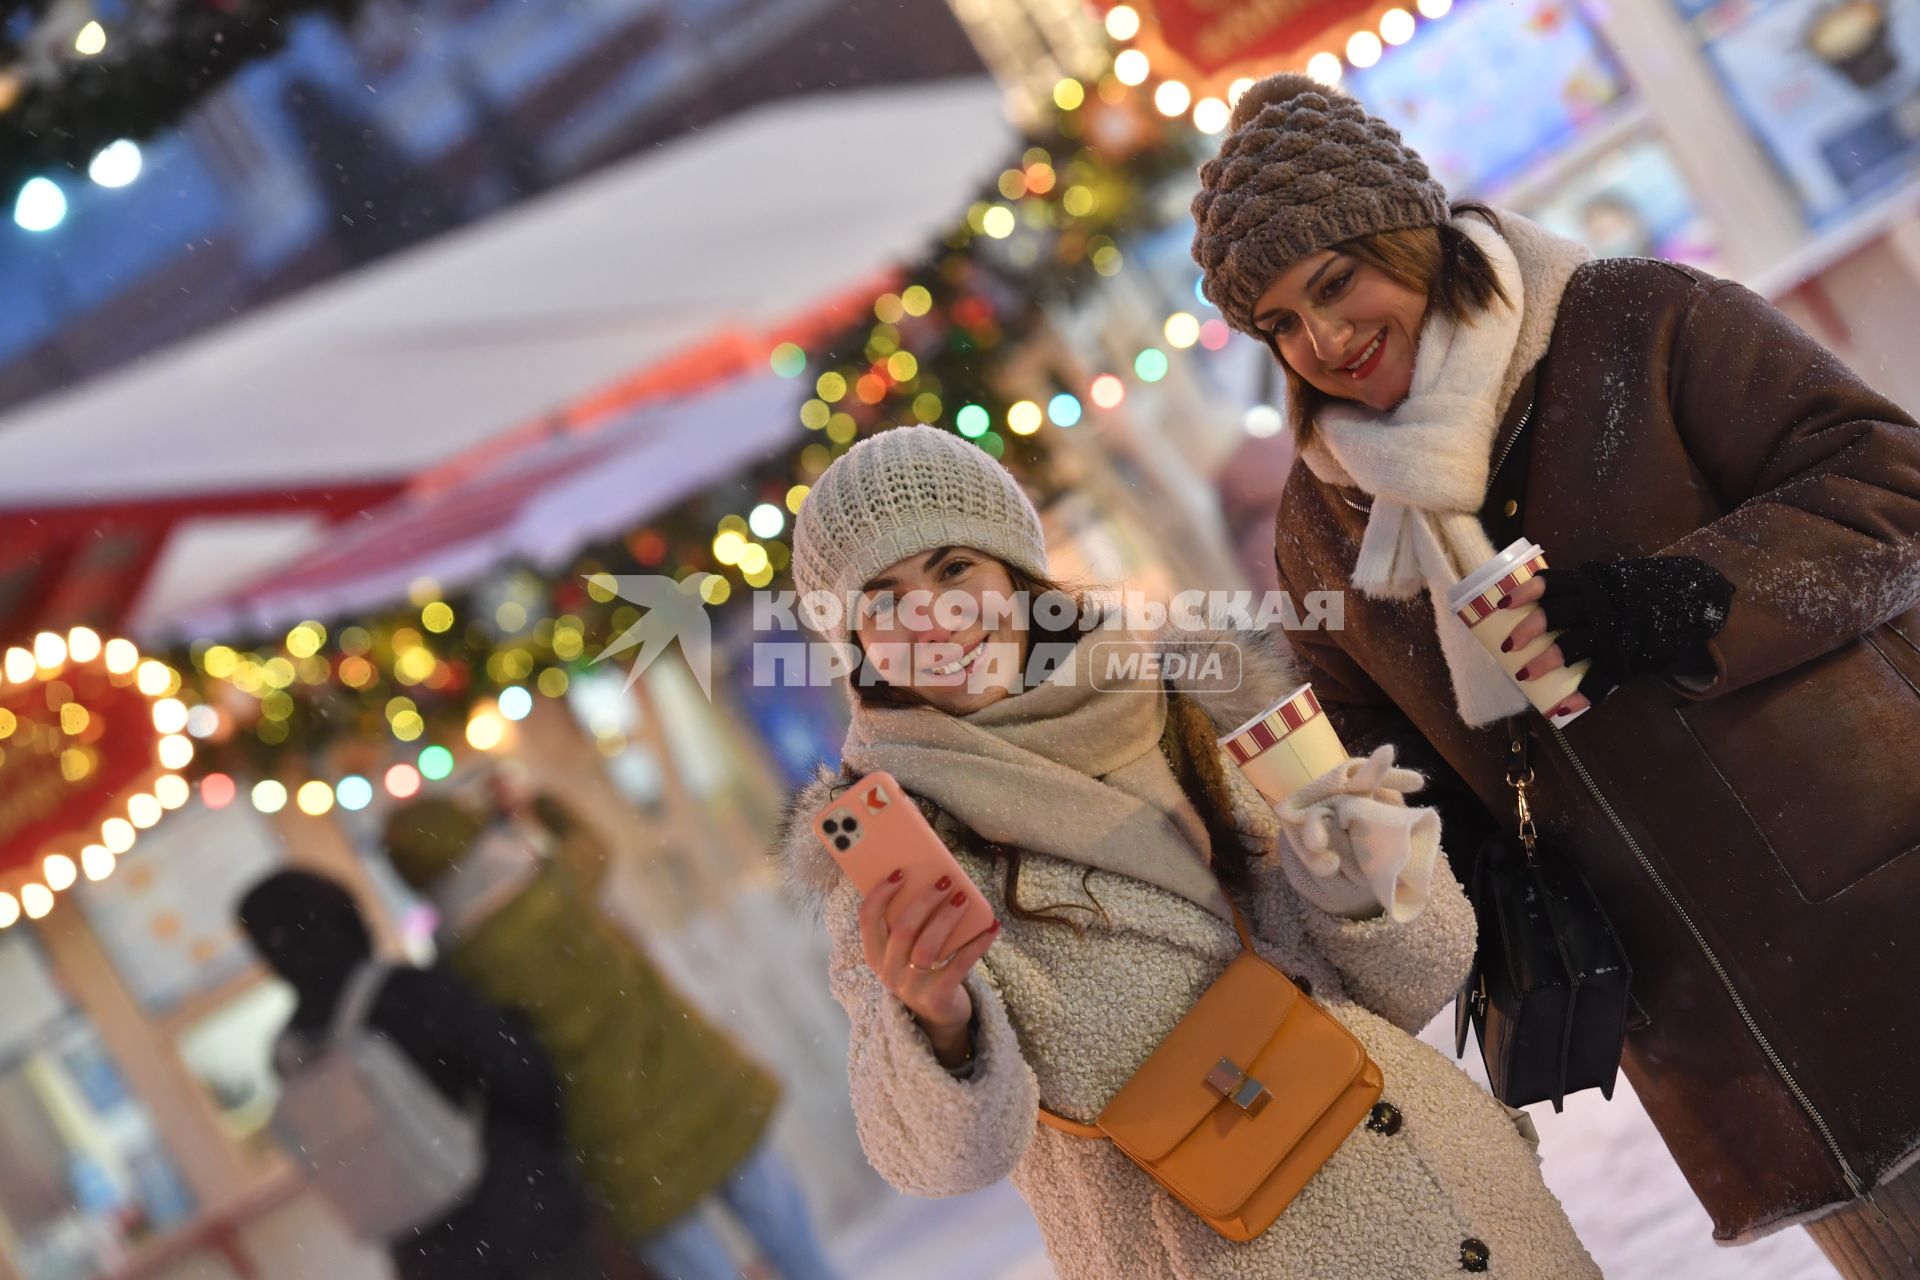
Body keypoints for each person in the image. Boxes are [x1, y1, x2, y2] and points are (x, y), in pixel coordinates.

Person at [1190, 72, 1920, 1274]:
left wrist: (1678, 599)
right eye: (1277, 320)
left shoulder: (1636, 323)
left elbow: (1889, 483)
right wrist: (1363, 836)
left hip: (1885, 904)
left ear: (1410, 233)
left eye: (1336, 279)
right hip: (1724, 1037)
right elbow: (1389, 769)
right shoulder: (1325, 524)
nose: (1322, 338)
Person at [779, 424, 1599, 1278]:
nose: (935, 616)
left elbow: (1419, 979)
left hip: (1473, 1216)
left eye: (955, 570)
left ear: (1017, 580)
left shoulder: (1182, 709)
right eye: (884, 599)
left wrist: (1362, 885)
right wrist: (938, 1026)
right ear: (859, 646)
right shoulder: (897, 853)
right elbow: (934, 1157)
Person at [383, 786, 843, 1280]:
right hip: (696, 1083)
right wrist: (541, 805)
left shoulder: (461, 966)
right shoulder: (554, 884)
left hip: (615, 1142)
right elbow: (592, 845)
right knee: (790, 1237)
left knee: (699, 1269)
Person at [236, 869, 589, 1280]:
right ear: (346, 919)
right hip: (522, 1224)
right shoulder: (410, 995)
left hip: (425, 1254)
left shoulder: (290, 1054)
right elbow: (525, 1079)